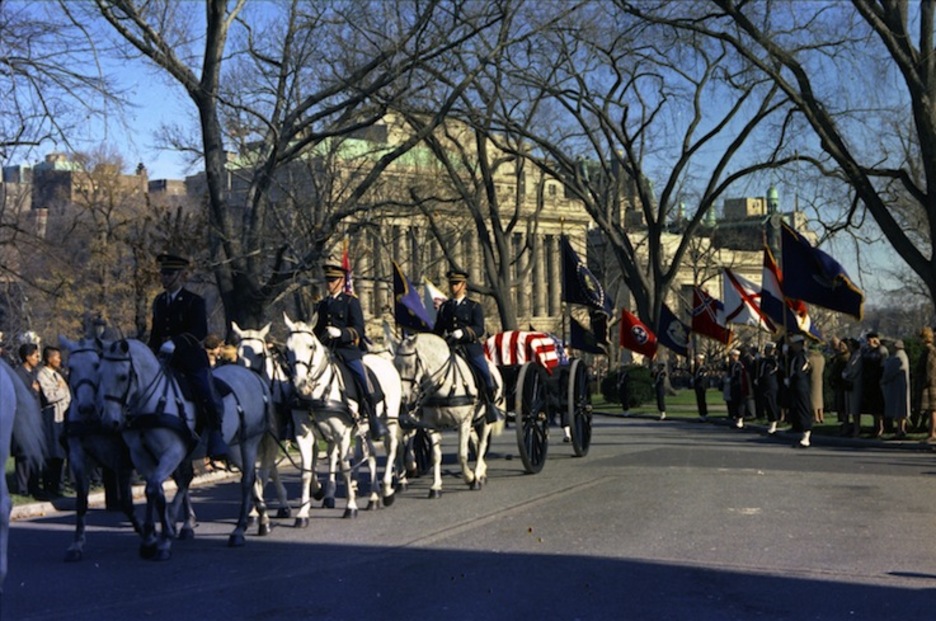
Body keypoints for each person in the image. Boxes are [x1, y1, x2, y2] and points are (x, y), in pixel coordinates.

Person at [147, 253, 227, 461]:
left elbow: (199, 331)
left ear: (181, 276)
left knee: (205, 391)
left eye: (169, 274)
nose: (164, 278)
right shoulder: (159, 301)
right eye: (163, 274)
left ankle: (216, 434)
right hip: (165, 359)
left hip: (190, 358)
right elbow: (155, 332)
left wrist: (176, 343)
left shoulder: (194, 301)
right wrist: (150, 352)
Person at [313, 262, 387, 440]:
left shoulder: (350, 301)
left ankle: (373, 418)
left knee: (363, 380)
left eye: (333, 280)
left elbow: (359, 329)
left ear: (341, 281)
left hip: (347, 351)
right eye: (328, 280)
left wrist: (342, 333)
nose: (329, 284)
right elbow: (316, 329)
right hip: (327, 351)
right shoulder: (322, 304)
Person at [433, 268, 499, 424]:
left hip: (470, 347)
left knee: (483, 372)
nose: (453, 287)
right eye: (451, 284)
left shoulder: (474, 307)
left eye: (456, 284)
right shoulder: (445, 307)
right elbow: (437, 330)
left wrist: (463, 332)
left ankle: (490, 405)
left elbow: (479, 328)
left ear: (464, 285)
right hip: (450, 348)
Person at [36, 345, 71, 497]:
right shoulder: (43, 375)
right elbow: (50, 396)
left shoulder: (58, 375)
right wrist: (61, 389)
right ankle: (50, 485)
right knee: (52, 452)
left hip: (62, 415)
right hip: (51, 416)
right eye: (56, 357)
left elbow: (67, 394)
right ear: (49, 358)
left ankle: (59, 485)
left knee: (60, 453)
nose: (59, 360)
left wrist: (62, 389)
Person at [13, 343, 43, 497]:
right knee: (24, 455)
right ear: (27, 357)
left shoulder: (35, 373)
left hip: (36, 418)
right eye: (35, 356)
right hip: (24, 420)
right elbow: (20, 396)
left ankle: (34, 485)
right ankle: (22, 487)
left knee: (35, 455)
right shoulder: (18, 374)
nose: (38, 359)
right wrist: (33, 390)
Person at [786, 334, 812, 448]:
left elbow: (799, 372)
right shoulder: (796, 356)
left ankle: (806, 436)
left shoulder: (801, 356)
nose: (793, 346)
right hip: (796, 386)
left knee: (803, 409)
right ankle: (801, 432)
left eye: (794, 344)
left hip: (801, 386)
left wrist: (791, 379)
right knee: (797, 409)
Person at [881, 339, 910, 438]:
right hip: (896, 385)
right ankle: (900, 429)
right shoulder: (896, 355)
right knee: (899, 408)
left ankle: (900, 430)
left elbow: (893, 370)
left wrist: (884, 379)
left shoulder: (899, 356)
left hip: (899, 386)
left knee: (900, 408)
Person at [861, 332, 888, 437]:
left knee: (879, 406)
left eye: (871, 339)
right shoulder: (867, 351)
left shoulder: (881, 350)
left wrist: (878, 345)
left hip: (878, 380)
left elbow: (884, 360)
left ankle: (881, 427)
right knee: (872, 407)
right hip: (869, 381)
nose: (869, 342)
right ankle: (875, 426)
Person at [914, 327, 936, 442]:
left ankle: (932, 433)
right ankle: (931, 432)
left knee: (932, 409)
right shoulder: (927, 350)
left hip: (930, 385)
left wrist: (926, 382)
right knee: (931, 410)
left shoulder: (930, 350)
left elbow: (930, 368)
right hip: (929, 383)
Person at [842, 337, 864, 438]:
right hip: (849, 384)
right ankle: (851, 428)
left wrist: (848, 374)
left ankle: (857, 429)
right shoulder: (852, 355)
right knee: (849, 407)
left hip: (856, 384)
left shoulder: (858, 355)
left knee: (855, 408)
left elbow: (855, 368)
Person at [759, 342, 781, 434]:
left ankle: (773, 424)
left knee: (772, 404)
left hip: (771, 385)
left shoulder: (773, 361)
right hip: (764, 385)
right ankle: (770, 422)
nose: (766, 351)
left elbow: (776, 369)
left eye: (769, 350)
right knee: (767, 404)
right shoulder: (764, 361)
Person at [725, 348, 747, 428]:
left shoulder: (739, 365)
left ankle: (740, 420)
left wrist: (732, 379)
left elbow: (739, 376)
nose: (731, 358)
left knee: (739, 404)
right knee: (734, 403)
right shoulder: (732, 365)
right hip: (733, 387)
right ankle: (736, 419)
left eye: (732, 356)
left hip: (738, 387)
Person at [808, 342, 826, 424]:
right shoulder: (822, 358)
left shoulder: (810, 359)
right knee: (820, 398)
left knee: (813, 399)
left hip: (812, 379)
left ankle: (816, 417)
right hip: (819, 379)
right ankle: (821, 416)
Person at [692, 354, 708, 421]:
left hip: (701, 386)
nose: (697, 361)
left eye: (698, 360)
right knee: (699, 400)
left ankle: (704, 414)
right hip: (698, 386)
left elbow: (701, 378)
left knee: (702, 400)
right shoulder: (697, 368)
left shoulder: (703, 368)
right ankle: (701, 414)